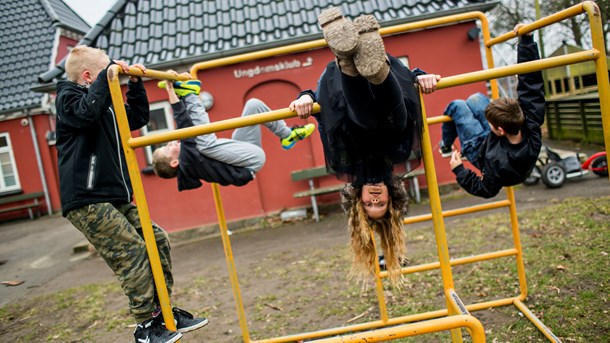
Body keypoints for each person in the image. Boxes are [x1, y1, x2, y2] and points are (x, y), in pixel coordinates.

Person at [55, 46, 207, 343]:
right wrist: (108, 74)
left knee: (157, 238)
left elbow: (136, 117)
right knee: (132, 251)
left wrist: (135, 84)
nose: (114, 78)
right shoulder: (68, 98)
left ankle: (164, 311)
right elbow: (85, 113)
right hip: (86, 198)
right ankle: (145, 326)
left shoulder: (106, 103)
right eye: (106, 72)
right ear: (88, 77)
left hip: (114, 196)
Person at [289, 7, 440, 284]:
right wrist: (422, 75)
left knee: (366, 123)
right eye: (380, 202)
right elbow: (408, 81)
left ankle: (347, 60)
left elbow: (322, 108)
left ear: (358, 201)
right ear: (391, 198)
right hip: (394, 103)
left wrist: (304, 97)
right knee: (394, 127)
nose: (373, 197)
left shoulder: (346, 163)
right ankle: (374, 68)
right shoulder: (399, 157)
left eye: (368, 203)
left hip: (344, 97)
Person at [152, 73, 315, 189]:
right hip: (249, 163)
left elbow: (187, 126)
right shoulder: (188, 163)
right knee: (204, 144)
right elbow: (184, 126)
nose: (171, 142)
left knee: (253, 105)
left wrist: (177, 94)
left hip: (241, 151)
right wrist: (174, 92)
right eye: (167, 148)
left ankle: (287, 136)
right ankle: (190, 94)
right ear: (175, 162)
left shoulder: (188, 157)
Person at [440, 24, 545, 199]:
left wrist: (459, 170)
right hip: (497, 146)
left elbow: (486, 190)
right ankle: (454, 136)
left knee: (457, 105)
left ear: (500, 130)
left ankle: (445, 145)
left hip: (480, 149)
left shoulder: (497, 164)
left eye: (491, 123)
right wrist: (526, 40)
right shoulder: (530, 121)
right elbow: (531, 87)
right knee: (475, 99)